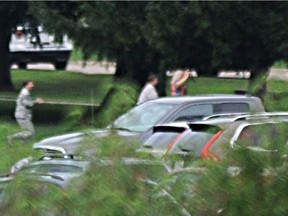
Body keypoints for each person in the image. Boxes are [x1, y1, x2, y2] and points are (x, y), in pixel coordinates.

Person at [8, 80, 44, 144]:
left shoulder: (25, 92)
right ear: (26, 85)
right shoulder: (25, 93)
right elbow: (28, 104)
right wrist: (37, 101)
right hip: (22, 115)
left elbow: (28, 100)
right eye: (31, 84)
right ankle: (12, 137)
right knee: (30, 132)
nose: (33, 86)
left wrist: (36, 100)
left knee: (28, 132)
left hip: (22, 115)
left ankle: (23, 145)